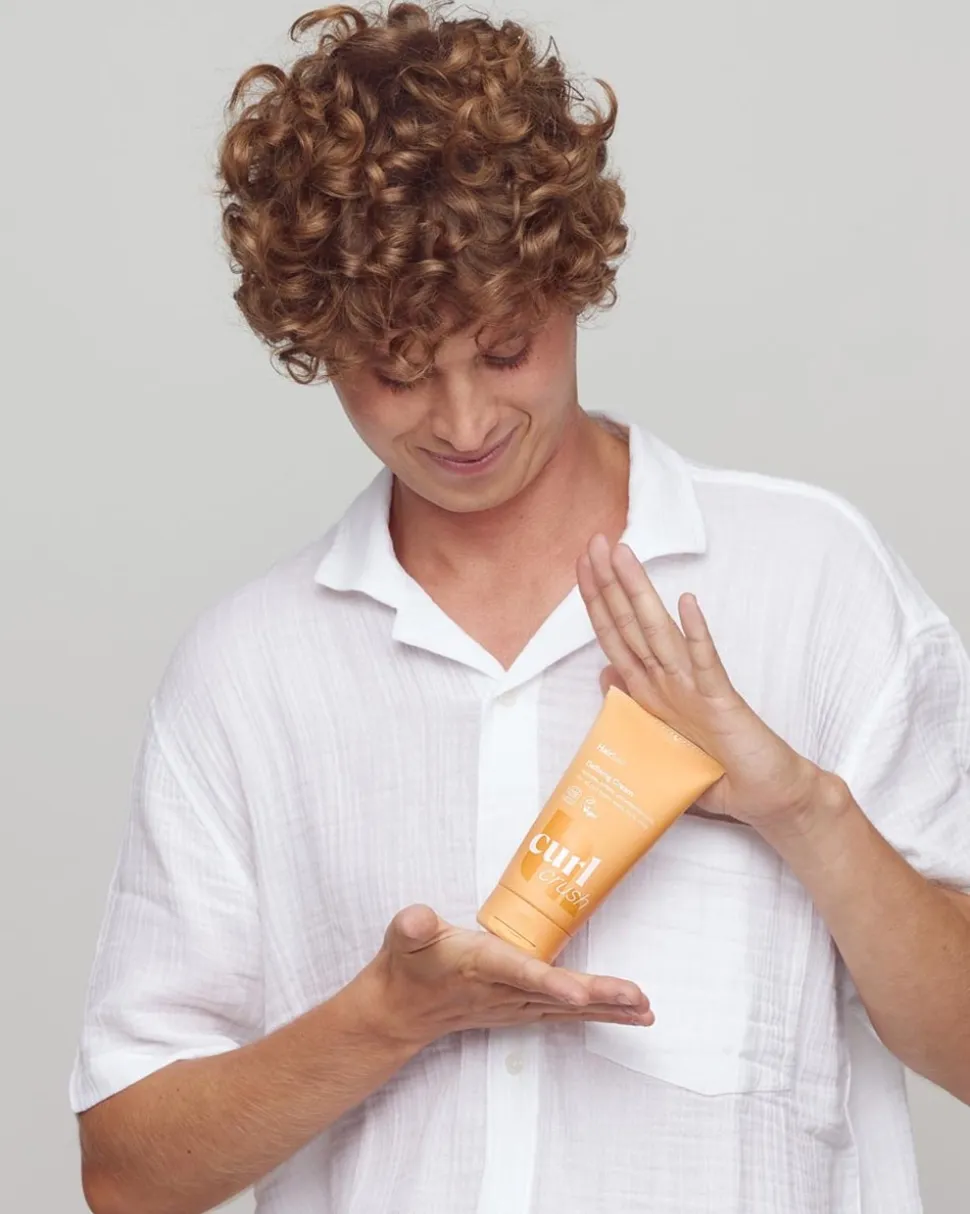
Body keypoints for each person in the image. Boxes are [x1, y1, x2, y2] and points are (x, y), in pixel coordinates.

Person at [70, 5, 970, 1213]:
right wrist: (386, 1017)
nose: (462, 423)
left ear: (571, 278)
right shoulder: (250, 673)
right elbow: (128, 1173)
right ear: (317, 345)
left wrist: (800, 806)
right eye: (396, 372)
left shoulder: (807, 578)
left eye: (503, 349)